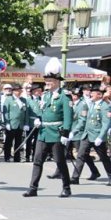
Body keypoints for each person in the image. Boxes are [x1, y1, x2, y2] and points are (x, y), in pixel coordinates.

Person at [23, 58, 74, 198]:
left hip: (57, 133)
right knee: (37, 161)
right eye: (46, 81)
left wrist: (65, 133)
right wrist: (38, 118)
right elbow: (41, 111)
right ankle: (33, 188)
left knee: (60, 162)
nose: (47, 83)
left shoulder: (64, 96)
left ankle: (66, 187)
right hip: (43, 132)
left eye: (50, 81)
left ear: (57, 81)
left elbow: (68, 116)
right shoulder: (45, 96)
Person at [70, 85, 111, 185]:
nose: (91, 94)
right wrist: (74, 132)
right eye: (91, 92)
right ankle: (75, 178)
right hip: (87, 135)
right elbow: (84, 120)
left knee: (104, 158)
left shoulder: (105, 106)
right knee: (80, 155)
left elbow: (105, 124)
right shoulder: (91, 104)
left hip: (97, 136)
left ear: (99, 95)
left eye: (93, 93)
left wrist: (100, 137)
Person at [1, 83, 29, 163]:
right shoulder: (9, 99)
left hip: (20, 124)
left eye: (20, 90)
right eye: (17, 90)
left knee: (18, 142)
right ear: (13, 91)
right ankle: (7, 156)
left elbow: (26, 112)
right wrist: (7, 122)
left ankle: (17, 157)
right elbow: (6, 112)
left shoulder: (23, 100)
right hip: (11, 123)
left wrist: (26, 123)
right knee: (8, 142)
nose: (19, 92)